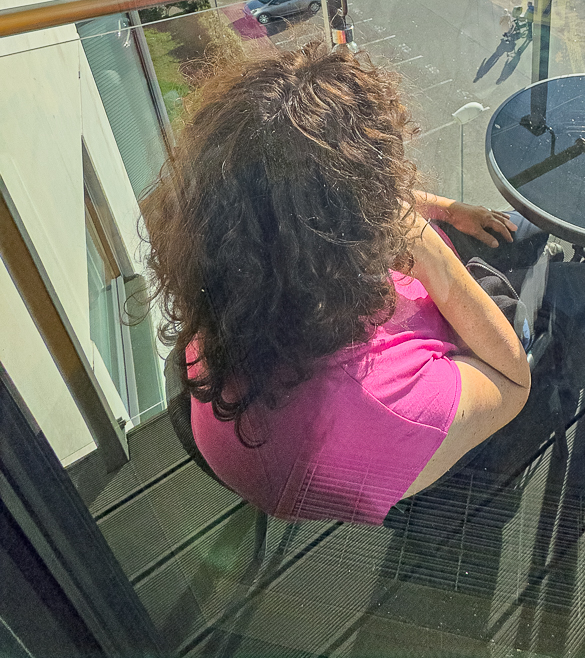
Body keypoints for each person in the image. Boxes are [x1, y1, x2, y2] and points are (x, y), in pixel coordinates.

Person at [142, 42, 531, 526]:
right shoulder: (386, 402)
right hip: (443, 389)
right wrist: (436, 262)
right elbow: (514, 382)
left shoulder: (231, 282)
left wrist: (447, 211)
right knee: (558, 275)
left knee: (513, 233)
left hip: (333, 366)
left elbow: (317, 193)